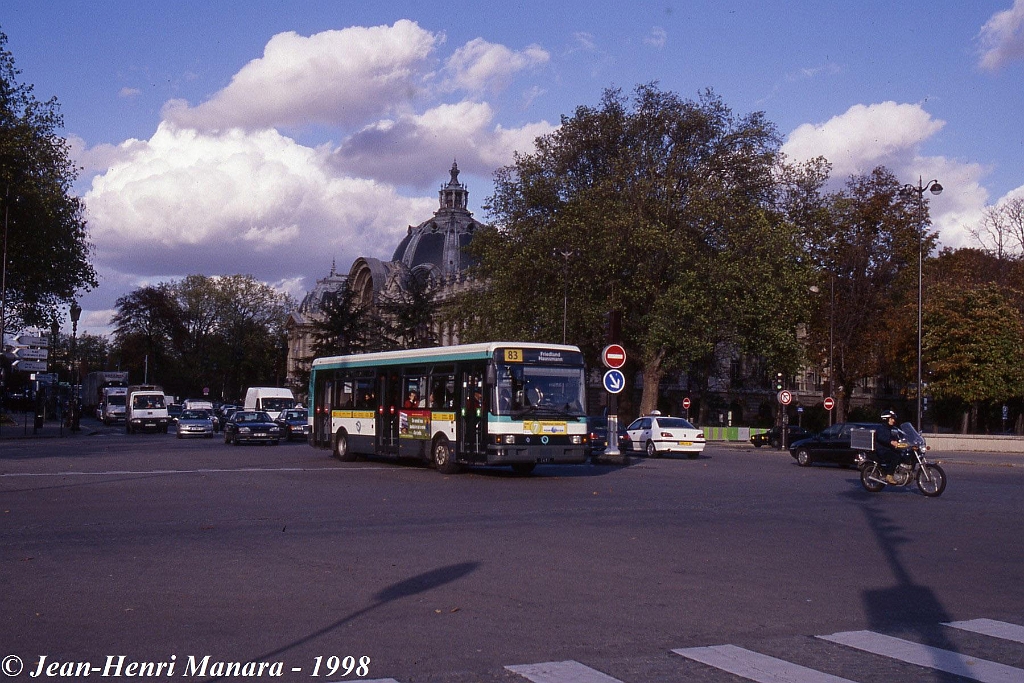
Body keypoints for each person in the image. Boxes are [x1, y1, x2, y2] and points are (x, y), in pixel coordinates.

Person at [875, 410, 904, 476]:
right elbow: (881, 437)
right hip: (883, 450)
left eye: (893, 419)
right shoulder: (881, 428)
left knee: (903, 454)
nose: (893, 420)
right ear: (886, 419)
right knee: (895, 457)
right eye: (891, 419)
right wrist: (891, 442)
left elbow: (901, 434)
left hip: (890, 449)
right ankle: (889, 475)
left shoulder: (893, 428)